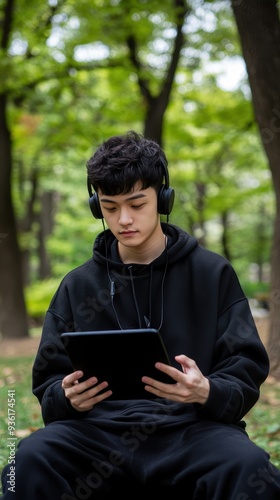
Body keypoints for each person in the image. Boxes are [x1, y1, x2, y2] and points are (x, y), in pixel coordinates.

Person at [1, 130, 280, 500]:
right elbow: (49, 381)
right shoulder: (77, 285)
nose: (124, 219)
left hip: (190, 430)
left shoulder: (212, 273)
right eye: (110, 207)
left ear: (163, 199)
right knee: (25, 465)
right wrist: (66, 398)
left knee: (249, 468)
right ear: (95, 205)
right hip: (95, 434)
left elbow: (244, 367)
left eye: (137, 203)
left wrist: (206, 390)